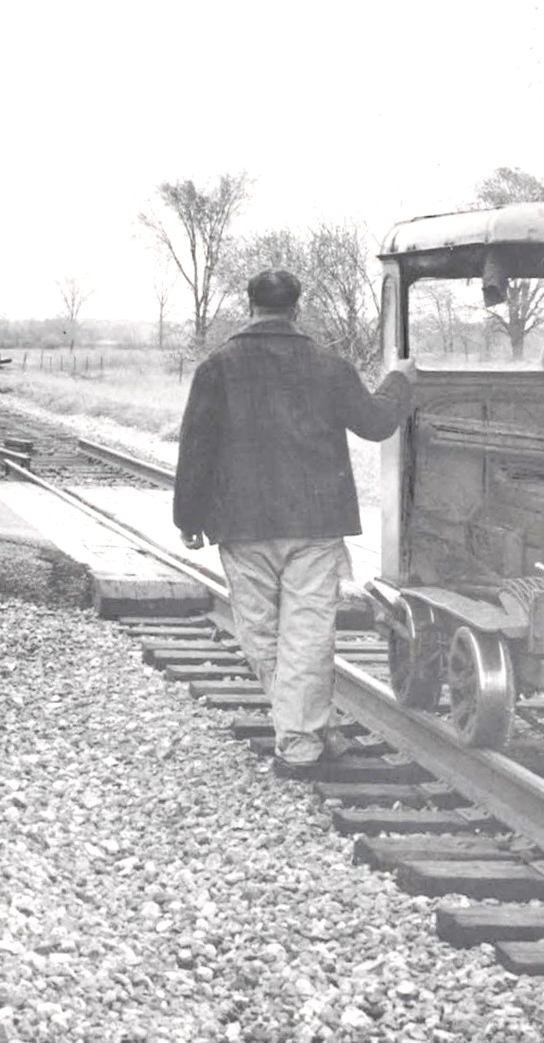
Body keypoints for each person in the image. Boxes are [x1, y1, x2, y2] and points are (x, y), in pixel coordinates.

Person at [174, 268, 417, 777]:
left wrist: (189, 518)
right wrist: (399, 381)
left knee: (260, 635)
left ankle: (300, 741)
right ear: (296, 309)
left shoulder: (216, 367)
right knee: (306, 635)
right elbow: (376, 423)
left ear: (251, 306)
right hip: (313, 522)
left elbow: (196, 448)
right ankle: (306, 730)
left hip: (241, 523)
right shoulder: (328, 366)